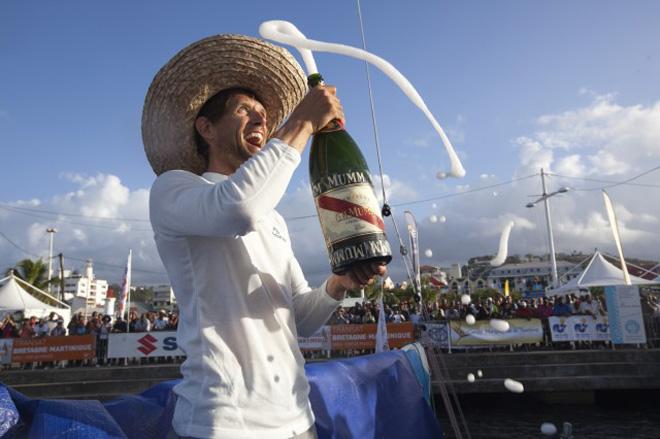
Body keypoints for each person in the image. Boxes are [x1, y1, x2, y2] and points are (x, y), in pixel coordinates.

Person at [143, 34, 385, 439]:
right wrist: (302, 123)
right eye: (245, 110)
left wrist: (340, 283)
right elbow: (237, 209)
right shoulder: (174, 189)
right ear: (206, 127)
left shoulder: (272, 217)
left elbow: (299, 320)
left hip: (297, 420)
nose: (262, 120)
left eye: (265, 114)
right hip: (224, 425)